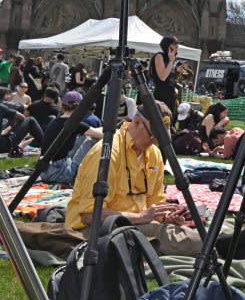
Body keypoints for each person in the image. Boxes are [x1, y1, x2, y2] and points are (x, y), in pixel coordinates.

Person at [65, 106, 201, 255]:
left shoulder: (154, 153)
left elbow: (154, 200)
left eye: (159, 137)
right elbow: (89, 215)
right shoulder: (107, 154)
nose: (155, 141)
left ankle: (211, 242)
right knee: (165, 235)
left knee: (170, 231)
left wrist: (165, 217)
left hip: (134, 223)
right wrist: (140, 217)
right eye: (152, 135)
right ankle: (215, 244)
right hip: (92, 229)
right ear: (136, 122)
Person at [40, 90, 103, 184]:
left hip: (44, 170)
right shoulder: (75, 124)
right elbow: (101, 135)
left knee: (82, 138)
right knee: (91, 139)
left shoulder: (54, 121)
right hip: (61, 174)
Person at [151, 36, 181, 109]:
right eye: (174, 44)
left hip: (171, 96)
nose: (177, 46)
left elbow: (170, 78)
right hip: (162, 96)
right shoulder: (159, 56)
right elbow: (162, 77)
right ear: (167, 46)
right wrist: (171, 61)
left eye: (177, 44)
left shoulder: (170, 58)